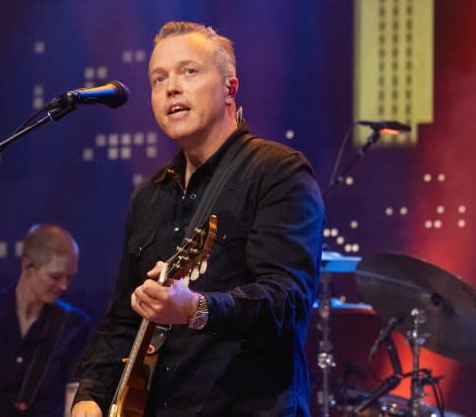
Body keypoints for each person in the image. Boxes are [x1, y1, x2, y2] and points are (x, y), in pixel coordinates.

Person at [71, 21, 324, 417]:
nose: (171, 87)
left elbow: (286, 300)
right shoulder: (148, 195)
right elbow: (124, 317)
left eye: (189, 71)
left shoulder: (277, 172)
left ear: (229, 87)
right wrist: (90, 393)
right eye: (159, 78)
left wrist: (196, 308)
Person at [0, 224, 92, 417]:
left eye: (70, 278)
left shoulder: (75, 325)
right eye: (55, 276)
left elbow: (73, 394)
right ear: (27, 266)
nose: (64, 285)